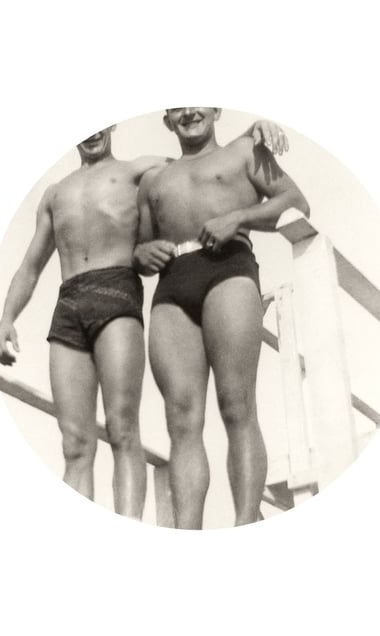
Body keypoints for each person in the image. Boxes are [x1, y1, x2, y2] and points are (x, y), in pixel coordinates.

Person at [0, 119, 288, 520]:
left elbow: (200, 158)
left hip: (117, 292)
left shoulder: (139, 170)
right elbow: (30, 265)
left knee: (123, 428)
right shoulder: (54, 193)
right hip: (70, 303)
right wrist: (7, 318)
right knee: (74, 443)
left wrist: (252, 131)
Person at [134, 107, 309, 528]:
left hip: (229, 269)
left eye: (197, 101)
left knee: (236, 405)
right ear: (166, 119)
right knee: (181, 420)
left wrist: (240, 217)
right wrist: (141, 254)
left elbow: (297, 202)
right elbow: (139, 248)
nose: (189, 111)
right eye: (177, 106)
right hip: (173, 285)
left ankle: (245, 524)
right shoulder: (154, 180)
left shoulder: (244, 151)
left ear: (215, 109)